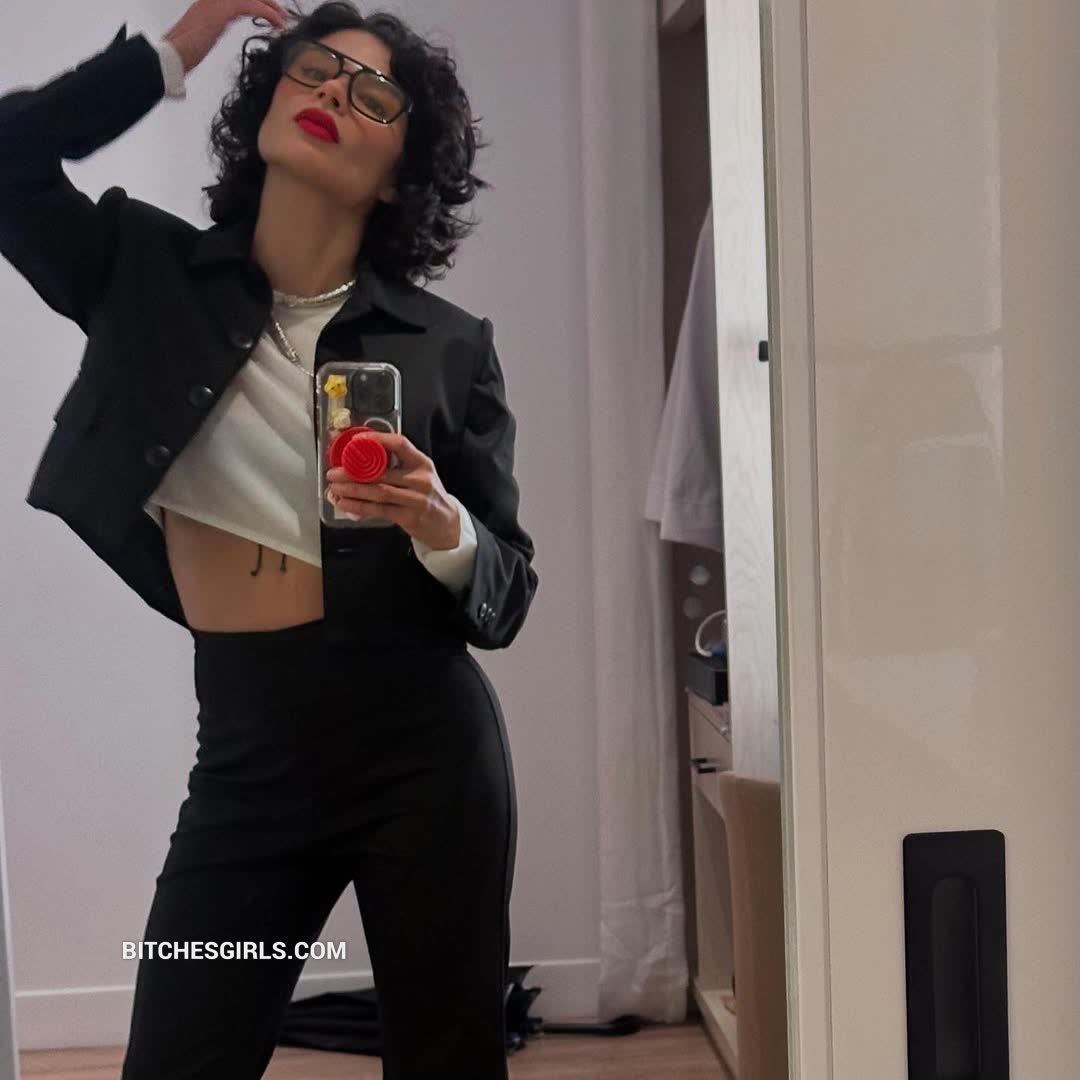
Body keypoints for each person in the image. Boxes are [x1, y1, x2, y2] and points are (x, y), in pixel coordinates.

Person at [0, 2, 539, 1077]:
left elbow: (508, 593)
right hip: (248, 765)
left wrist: (443, 524)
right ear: (267, 105)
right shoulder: (145, 275)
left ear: (399, 176)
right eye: (313, 68)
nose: (333, 89)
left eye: (373, 93)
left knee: (447, 1059)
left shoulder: (446, 347)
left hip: (424, 755)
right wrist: (179, 45)